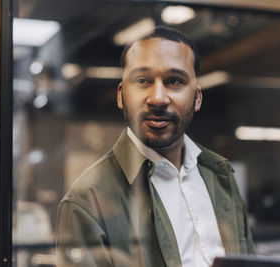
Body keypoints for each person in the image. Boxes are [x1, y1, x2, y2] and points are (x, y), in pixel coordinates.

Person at [56, 26, 255, 267]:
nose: (158, 98)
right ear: (121, 95)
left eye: (174, 81)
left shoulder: (221, 175)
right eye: (143, 81)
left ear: (197, 97)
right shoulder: (87, 200)